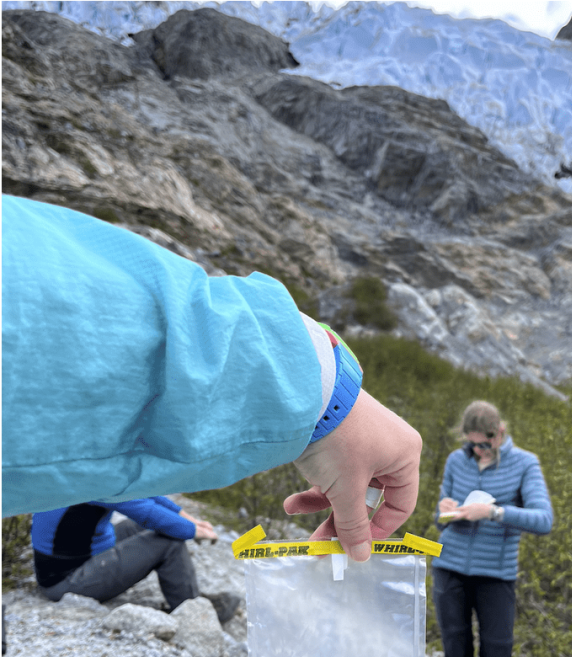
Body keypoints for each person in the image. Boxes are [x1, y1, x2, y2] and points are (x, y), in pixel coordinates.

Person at [2, 195, 421, 560]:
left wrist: (184, 516)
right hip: (65, 576)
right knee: (169, 544)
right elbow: (43, 313)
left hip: (71, 560)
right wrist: (325, 395)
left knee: (167, 537)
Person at [432, 400, 553, 657]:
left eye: (485, 444)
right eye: (472, 444)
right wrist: (445, 511)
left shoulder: (525, 463)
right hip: (449, 568)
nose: (479, 450)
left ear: (500, 433)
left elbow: (544, 520)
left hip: (496, 576)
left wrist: (493, 512)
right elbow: (439, 522)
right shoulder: (457, 460)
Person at [31, 497, 216, 612]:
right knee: (170, 541)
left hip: (85, 554)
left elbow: (142, 492)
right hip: (66, 581)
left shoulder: (84, 467)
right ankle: (193, 612)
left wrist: (188, 518)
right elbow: (148, 512)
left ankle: (193, 598)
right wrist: (195, 530)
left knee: (148, 526)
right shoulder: (95, 481)